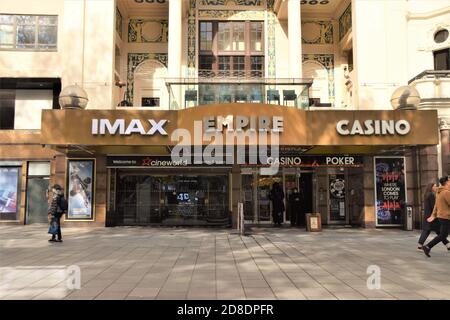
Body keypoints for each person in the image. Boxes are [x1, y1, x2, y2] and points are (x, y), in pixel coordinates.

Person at [422, 176, 450, 257]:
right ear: (447, 182)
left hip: (441, 216)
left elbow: (436, 206)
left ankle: (428, 247)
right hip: (446, 216)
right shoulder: (446, 192)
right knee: (443, 235)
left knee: (442, 234)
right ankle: (427, 246)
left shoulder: (439, 192)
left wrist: (433, 215)